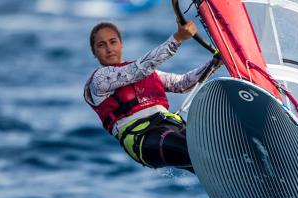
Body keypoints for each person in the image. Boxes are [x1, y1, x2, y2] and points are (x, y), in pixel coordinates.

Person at [84, 21, 221, 173]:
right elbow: (138, 70)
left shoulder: (149, 73)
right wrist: (177, 38)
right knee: (201, 154)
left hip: (171, 126)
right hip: (143, 138)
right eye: (101, 45)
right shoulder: (100, 79)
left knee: (212, 150)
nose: (109, 49)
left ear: (121, 44)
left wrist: (215, 62)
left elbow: (183, 83)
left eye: (113, 42)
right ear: (94, 52)